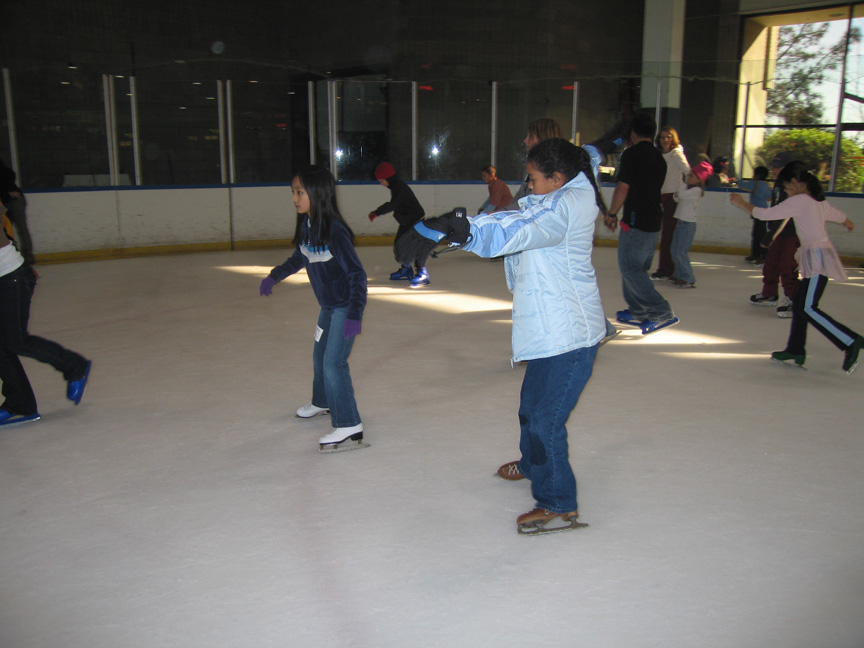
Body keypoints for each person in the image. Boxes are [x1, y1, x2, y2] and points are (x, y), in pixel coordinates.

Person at [394, 138, 607, 535]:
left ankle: (558, 503)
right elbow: (523, 209)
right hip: (550, 329)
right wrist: (452, 226)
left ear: (558, 178)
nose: (527, 185)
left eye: (533, 178)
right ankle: (533, 465)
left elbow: (523, 228)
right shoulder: (567, 184)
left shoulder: (565, 208)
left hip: (570, 335)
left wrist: (461, 230)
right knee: (530, 408)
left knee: (546, 422)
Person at [259, 165, 368, 452]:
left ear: (317, 193)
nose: (294, 197)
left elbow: (357, 274)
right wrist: (275, 275)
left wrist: (355, 314)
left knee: (334, 363)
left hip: (344, 307)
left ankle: (349, 424)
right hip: (328, 308)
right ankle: (322, 402)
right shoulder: (309, 226)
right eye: (293, 192)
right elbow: (300, 257)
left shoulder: (335, 231)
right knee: (319, 356)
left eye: (299, 192)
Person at [730, 161, 863, 374]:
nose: (785, 191)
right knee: (801, 304)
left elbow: (764, 215)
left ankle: (851, 341)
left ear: (794, 182)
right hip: (818, 255)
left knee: (808, 308)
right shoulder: (814, 200)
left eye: (786, 187)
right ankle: (795, 349)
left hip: (817, 257)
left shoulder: (800, 200)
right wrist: (848, 222)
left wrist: (741, 203)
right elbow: (835, 214)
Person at [0, 201, 91, 427]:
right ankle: (20, 405)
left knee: (16, 341)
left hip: (11, 277)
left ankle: (74, 366)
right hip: (8, 276)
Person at [604, 112, 678, 335]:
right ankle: (638, 308)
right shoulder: (658, 157)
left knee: (631, 268)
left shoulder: (631, 154)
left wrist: (612, 212)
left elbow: (623, 187)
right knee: (637, 268)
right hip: (654, 219)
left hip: (636, 221)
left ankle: (660, 311)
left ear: (633, 133)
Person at [748, 152, 800, 318]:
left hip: (792, 233)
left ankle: (794, 300)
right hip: (779, 232)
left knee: (787, 265)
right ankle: (769, 294)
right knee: (771, 264)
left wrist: (769, 235)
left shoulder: (793, 185)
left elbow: (786, 214)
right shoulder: (778, 183)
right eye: (774, 167)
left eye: (779, 167)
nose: (774, 170)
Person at [368, 162, 429, 287]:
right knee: (399, 245)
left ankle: (422, 272)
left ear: (388, 178)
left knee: (411, 246)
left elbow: (393, 205)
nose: (381, 184)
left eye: (381, 180)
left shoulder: (399, 188)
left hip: (415, 220)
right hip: (408, 220)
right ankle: (406, 269)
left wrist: (377, 212)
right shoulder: (396, 187)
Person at [651, 126, 690, 281]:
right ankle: (668, 268)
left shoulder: (676, 154)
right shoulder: (663, 155)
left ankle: (667, 269)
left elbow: (689, 172)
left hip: (672, 199)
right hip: (663, 198)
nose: (665, 140)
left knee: (669, 235)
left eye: (669, 137)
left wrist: (682, 192)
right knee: (666, 234)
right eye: (662, 137)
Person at [669, 161, 713, 288]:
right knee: (674, 250)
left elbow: (680, 194)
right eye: (688, 175)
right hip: (680, 223)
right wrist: (680, 191)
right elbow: (676, 197)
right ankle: (679, 274)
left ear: (699, 180)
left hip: (688, 225)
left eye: (691, 176)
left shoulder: (697, 190)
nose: (688, 178)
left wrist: (681, 187)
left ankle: (688, 277)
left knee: (681, 252)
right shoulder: (688, 188)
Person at [0, 159, 35, 265]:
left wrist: (10, 191)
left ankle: (28, 257)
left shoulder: (4, 171)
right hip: (5, 202)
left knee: (21, 228)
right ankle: (12, 255)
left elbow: (10, 176)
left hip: (15, 202)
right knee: (6, 230)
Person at [737, 166, 772, 265]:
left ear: (757, 175)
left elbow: (742, 184)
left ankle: (760, 255)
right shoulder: (766, 185)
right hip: (764, 212)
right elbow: (769, 197)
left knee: (757, 235)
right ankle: (758, 254)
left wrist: (736, 181)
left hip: (757, 212)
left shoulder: (755, 183)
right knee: (760, 234)